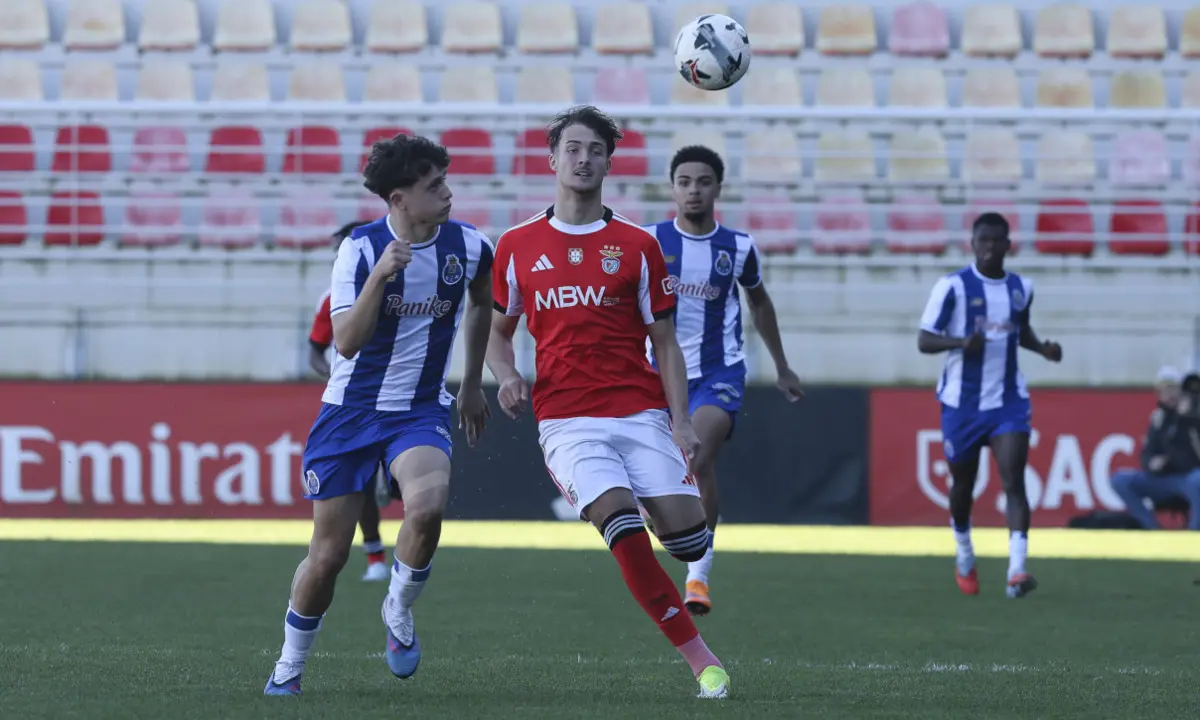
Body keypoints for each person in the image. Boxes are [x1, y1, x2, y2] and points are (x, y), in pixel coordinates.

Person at [486, 105, 729, 700]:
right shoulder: (516, 245)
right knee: (622, 527)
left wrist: (681, 421)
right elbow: (497, 332)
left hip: (641, 413)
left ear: (608, 163)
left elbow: (665, 342)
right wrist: (507, 375)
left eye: (595, 150)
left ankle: (644, 497)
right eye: (572, 148)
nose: (583, 159)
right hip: (567, 420)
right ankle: (703, 663)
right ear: (552, 159)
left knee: (691, 543)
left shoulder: (639, 245)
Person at [265, 133, 494, 695]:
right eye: (433, 186)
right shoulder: (361, 250)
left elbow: (482, 302)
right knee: (328, 557)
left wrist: (471, 383)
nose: (447, 193)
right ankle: (289, 664)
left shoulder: (469, 246)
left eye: (445, 181)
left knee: (428, 507)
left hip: (418, 409)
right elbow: (345, 341)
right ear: (398, 199)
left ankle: (398, 605)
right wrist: (379, 278)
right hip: (350, 412)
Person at [643, 145, 803, 617]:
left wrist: (782, 366)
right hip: (656, 373)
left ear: (717, 188)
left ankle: (698, 575)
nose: (693, 190)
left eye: (703, 182)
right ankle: (663, 518)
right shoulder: (648, 242)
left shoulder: (738, 247)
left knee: (696, 454)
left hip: (720, 371)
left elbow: (759, 302)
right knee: (678, 468)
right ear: (673, 189)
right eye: (684, 182)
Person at [917, 212, 1062, 599]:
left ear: (1008, 245)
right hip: (961, 403)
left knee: (1013, 479)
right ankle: (965, 553)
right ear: (972, 243)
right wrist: (960, 343)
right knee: (963, 484)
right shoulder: (952, 287)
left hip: (1007, 400)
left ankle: (1017, 569)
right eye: (983, 240)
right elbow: (925, 340)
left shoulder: (1021, 288)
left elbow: (1020, 330)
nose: (990, 247)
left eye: (997, 241)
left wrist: (1042, 348)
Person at [308, 221, 395, 583]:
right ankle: (375, 558)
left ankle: (392, 480)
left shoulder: (406, 288)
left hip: (403, 397)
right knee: (359, 484)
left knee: (411, 482)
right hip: (353, 402)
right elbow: (315, 351)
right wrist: (334, 376)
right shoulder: (332, 298)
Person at [1110, 368, 1200, 529]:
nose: (1168, 395)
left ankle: (1194, 534)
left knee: (1196, 480)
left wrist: (1186, 418)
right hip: (1163, 478)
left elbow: (1193, 456)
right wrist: (1151, 463)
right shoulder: (1159, 418)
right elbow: (1147, 453)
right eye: (1162, 391)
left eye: (1171, 388)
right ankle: (1151, 529)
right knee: (1120, 480)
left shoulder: (1194, 417)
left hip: (1188, 476)